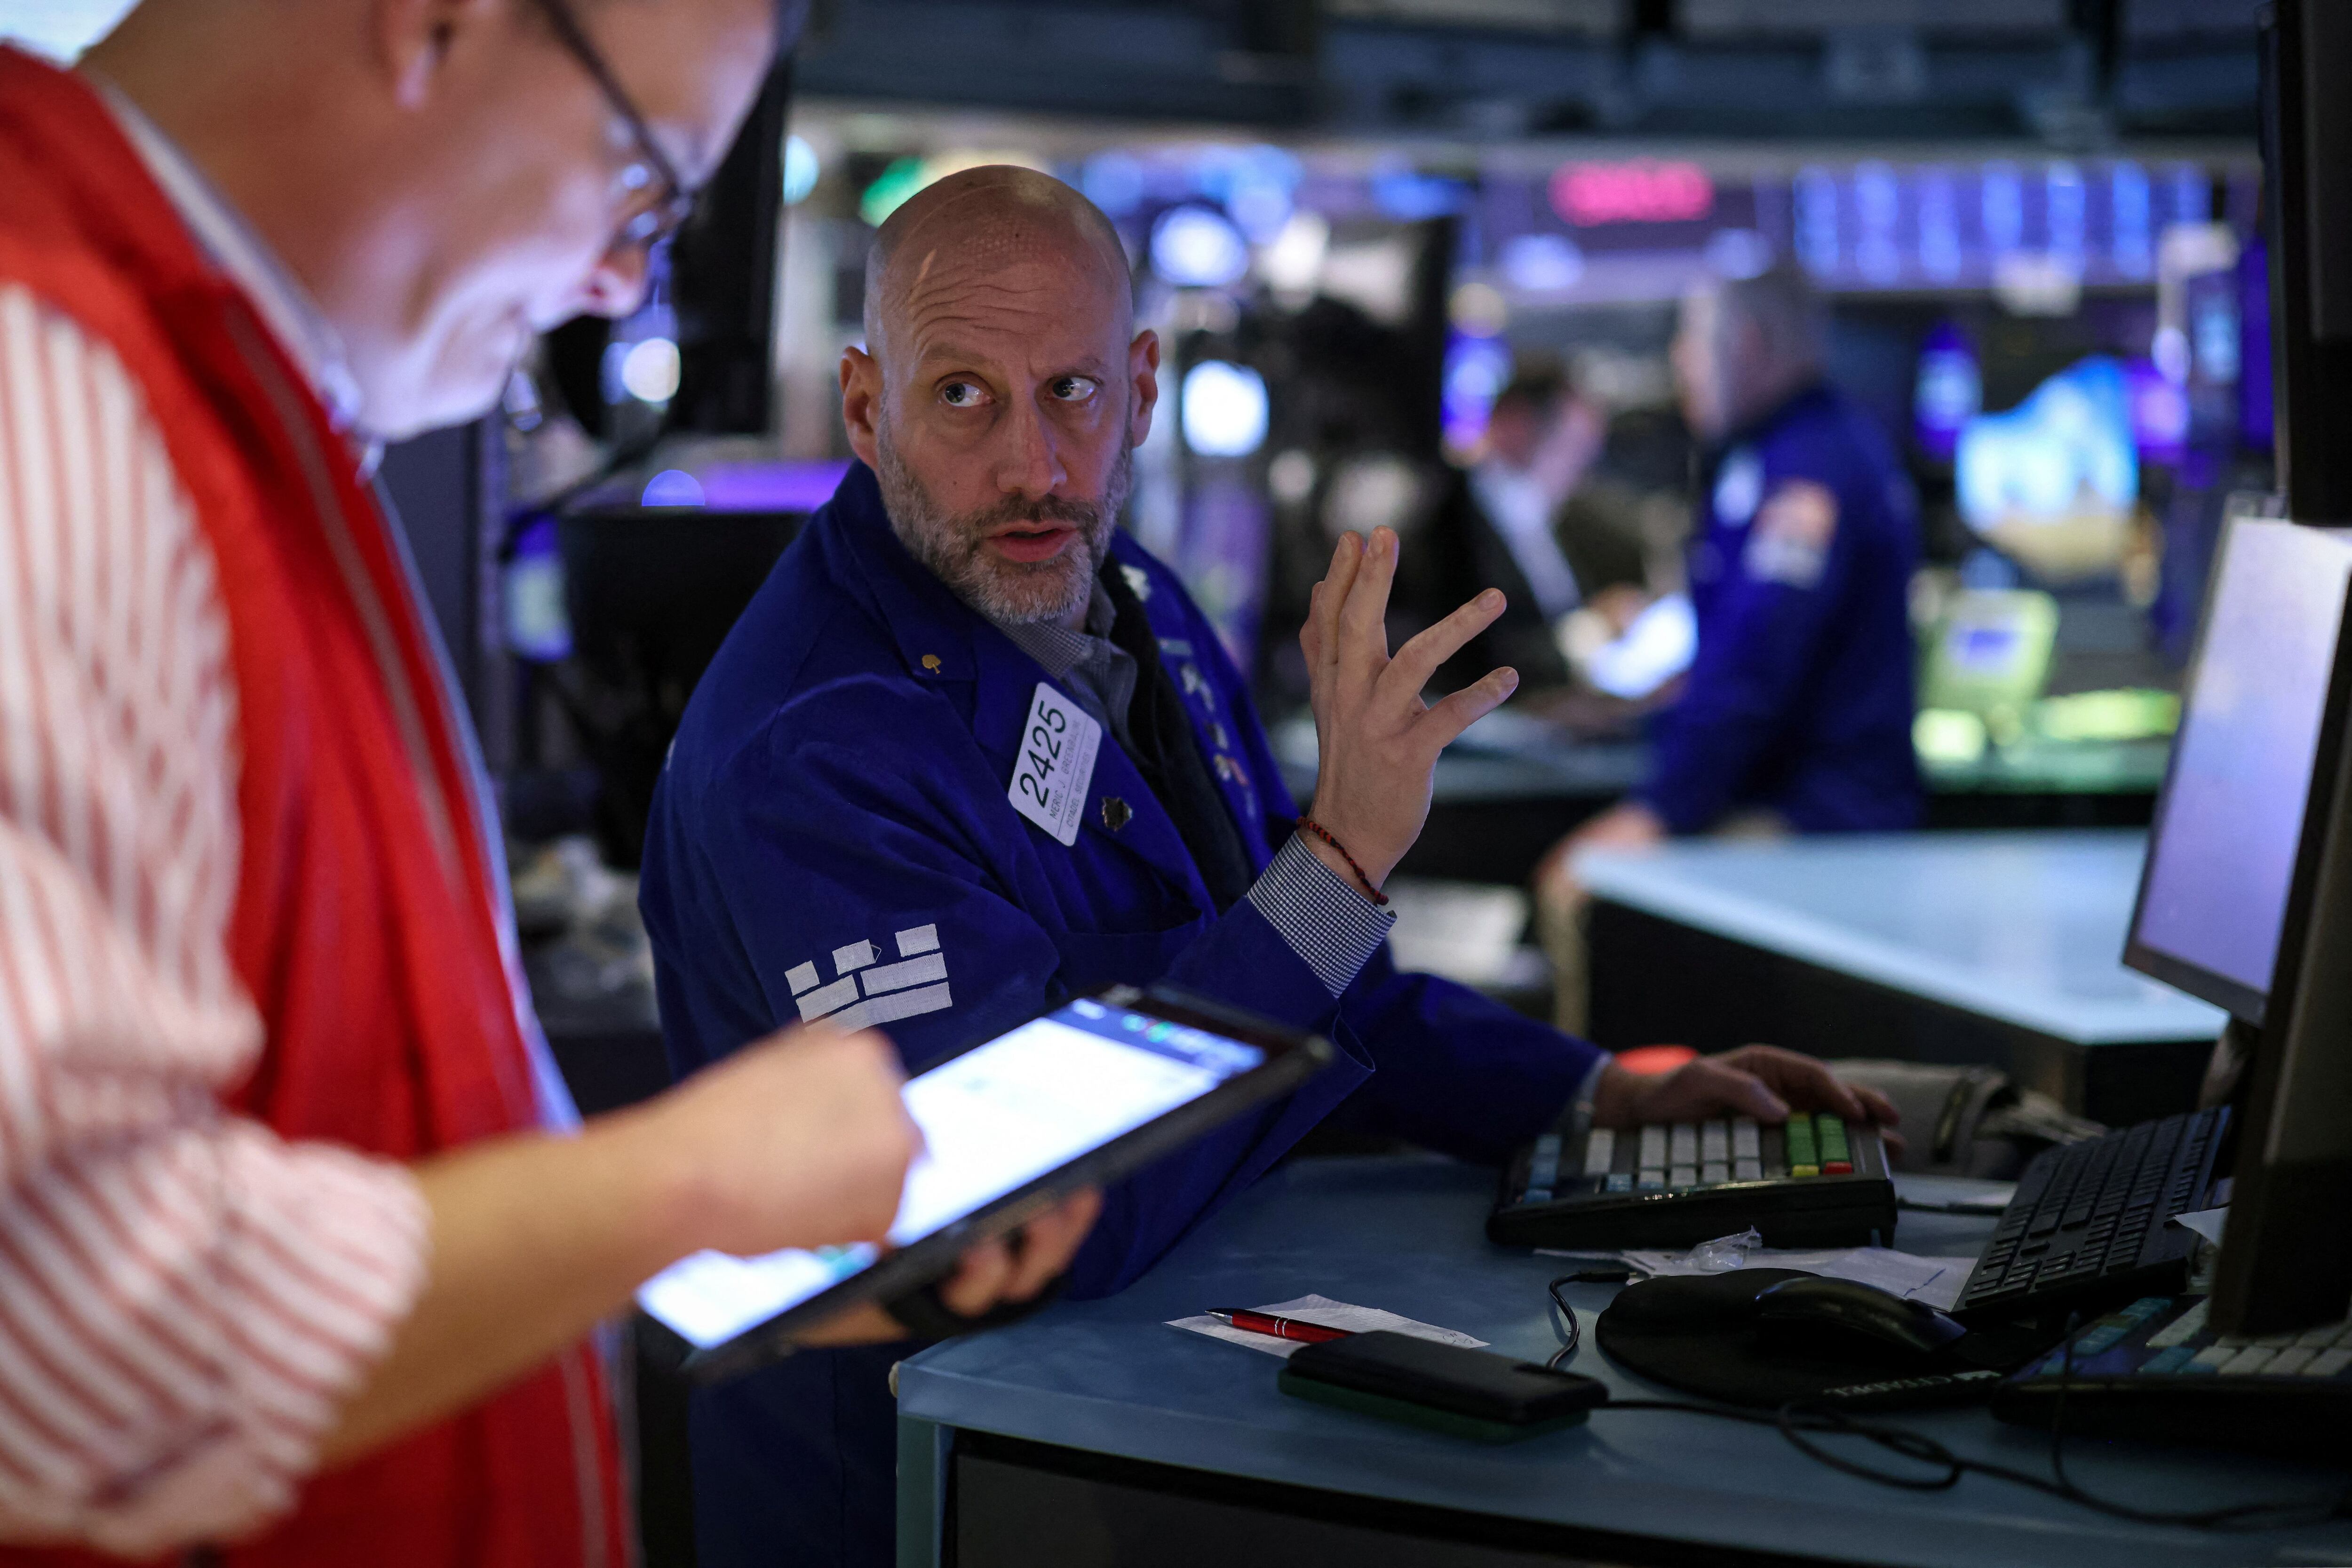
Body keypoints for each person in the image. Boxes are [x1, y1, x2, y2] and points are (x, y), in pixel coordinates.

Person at [639, 166, 1901, 1568]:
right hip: (907, 1485)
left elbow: (1310, 985)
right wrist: (1343, 851)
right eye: (962, 396)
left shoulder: (1140, 611)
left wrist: (1593, 1092)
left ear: (1142, 388)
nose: (1036, 466)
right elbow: (1023, 1208)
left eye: (1069, 391)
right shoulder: (812, 749)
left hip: (1144, 1416)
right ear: (868, 408)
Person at [0, 3, 1094, 1561]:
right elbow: (53, 1330)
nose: (616, 285)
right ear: (431, 24)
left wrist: (680, 1235)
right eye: (643, 187)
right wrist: (678, 1185)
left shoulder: (237, 410)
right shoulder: (43, 380)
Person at [1534, 263, 1923, 1031]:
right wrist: (1640, 705)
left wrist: (1660, 809)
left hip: (1817, 817)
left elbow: (1757, 667)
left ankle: (1597, 1116)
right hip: (1796, 798)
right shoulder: (1791, 452)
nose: (1679, 362)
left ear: (1744, 343)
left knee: (1576, 889)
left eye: (1689, 339)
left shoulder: (1806, 475)